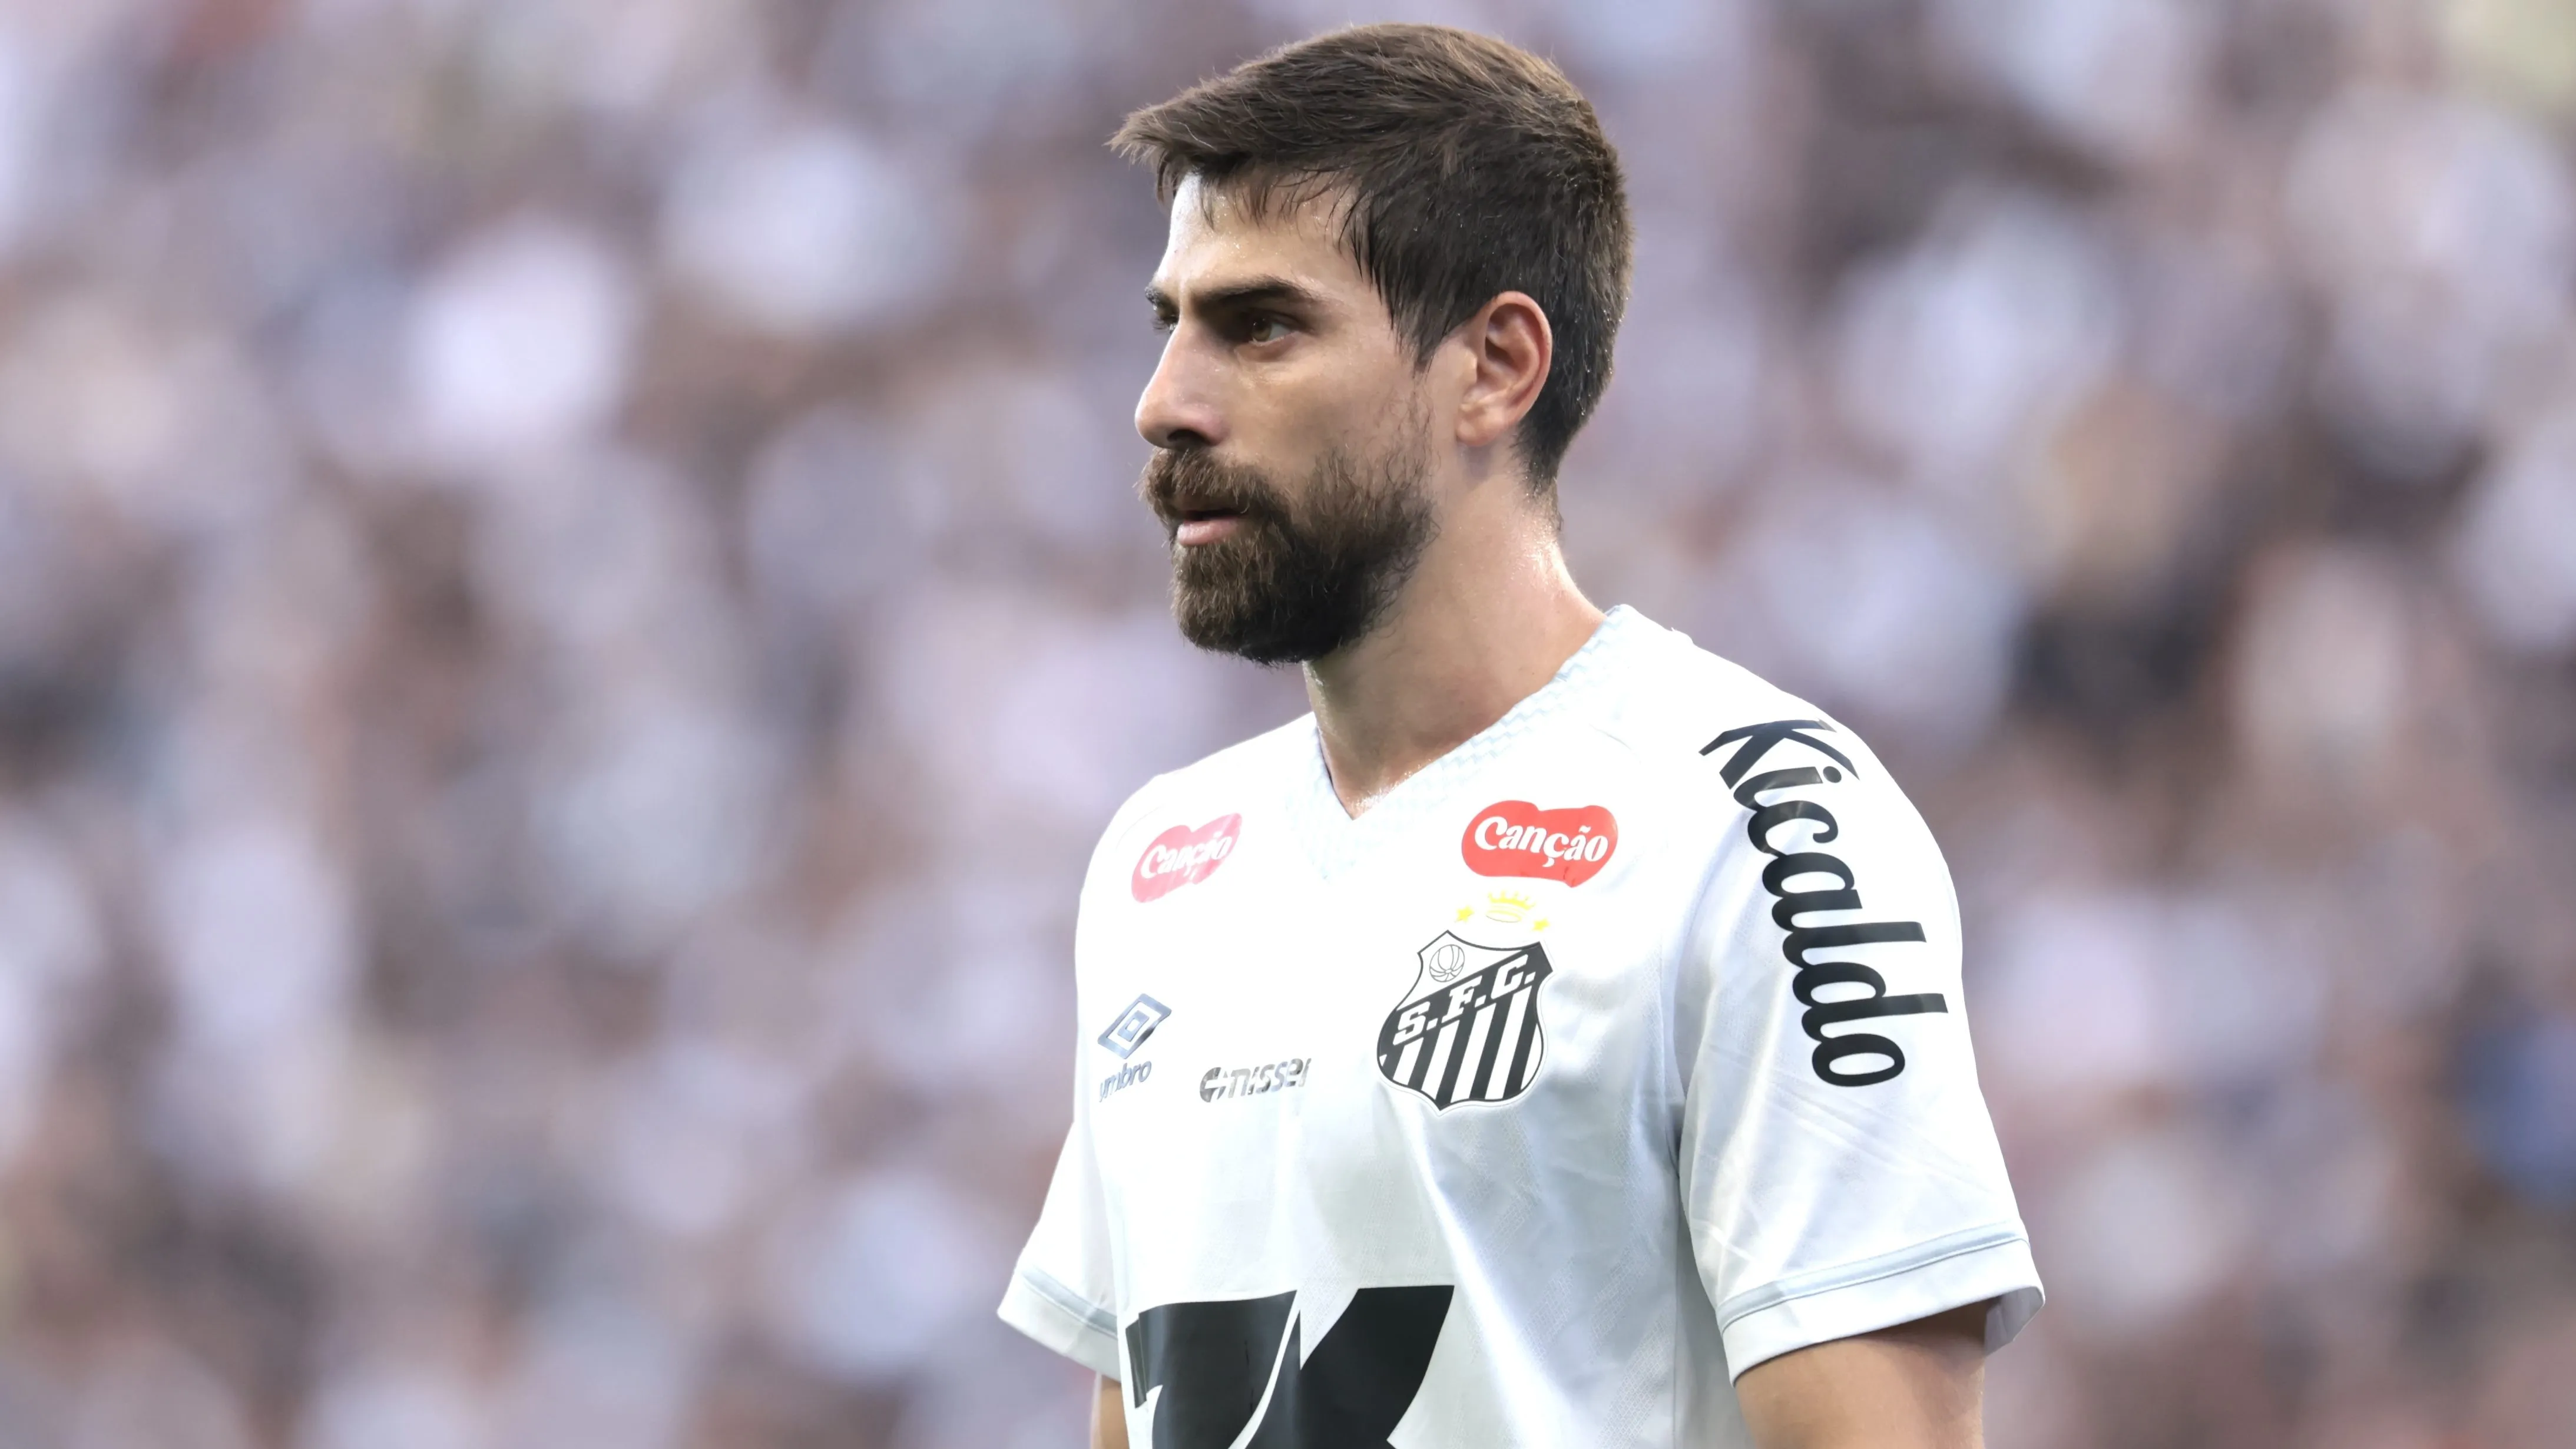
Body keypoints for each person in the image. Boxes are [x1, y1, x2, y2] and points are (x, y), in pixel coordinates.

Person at [995, 24, 2042, 1448]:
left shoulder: (1764, 824)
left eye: (1261, 327)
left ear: (1494, 367)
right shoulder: (1159, 860)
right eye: (1170, 323)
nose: (1166, 402)